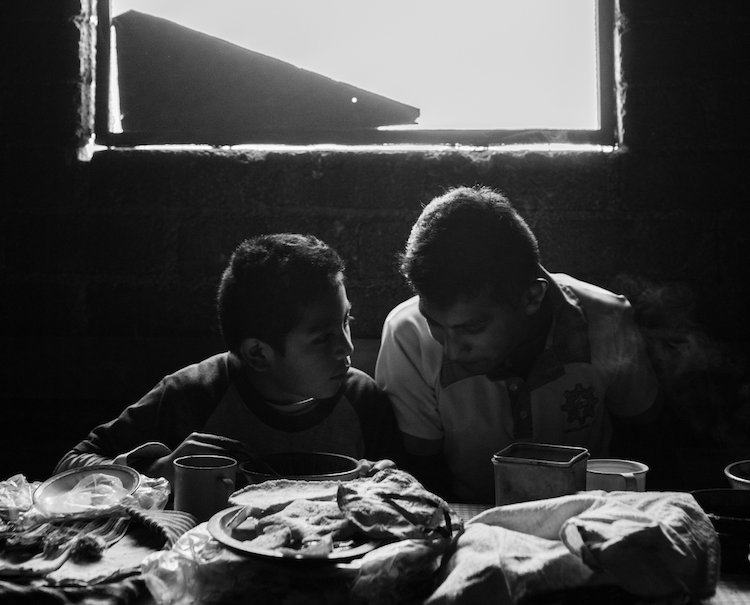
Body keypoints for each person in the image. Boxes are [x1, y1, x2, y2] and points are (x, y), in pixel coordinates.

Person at [375, 186, 661, 503]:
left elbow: (645, 444)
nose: (452, 351)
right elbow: (420, 478)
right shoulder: (408, 335)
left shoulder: (605, 319)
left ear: (532, 297)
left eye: (473, 328)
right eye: (435, 324)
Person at [56, 234, 401, 481]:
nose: (347, 348)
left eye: (346, 321)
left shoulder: (363, 400)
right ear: (257, 353)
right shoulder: (192, 394)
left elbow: (413, 489)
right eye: (323, 337)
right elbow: (68, 466)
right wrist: (158, 472)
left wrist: (390, 483)